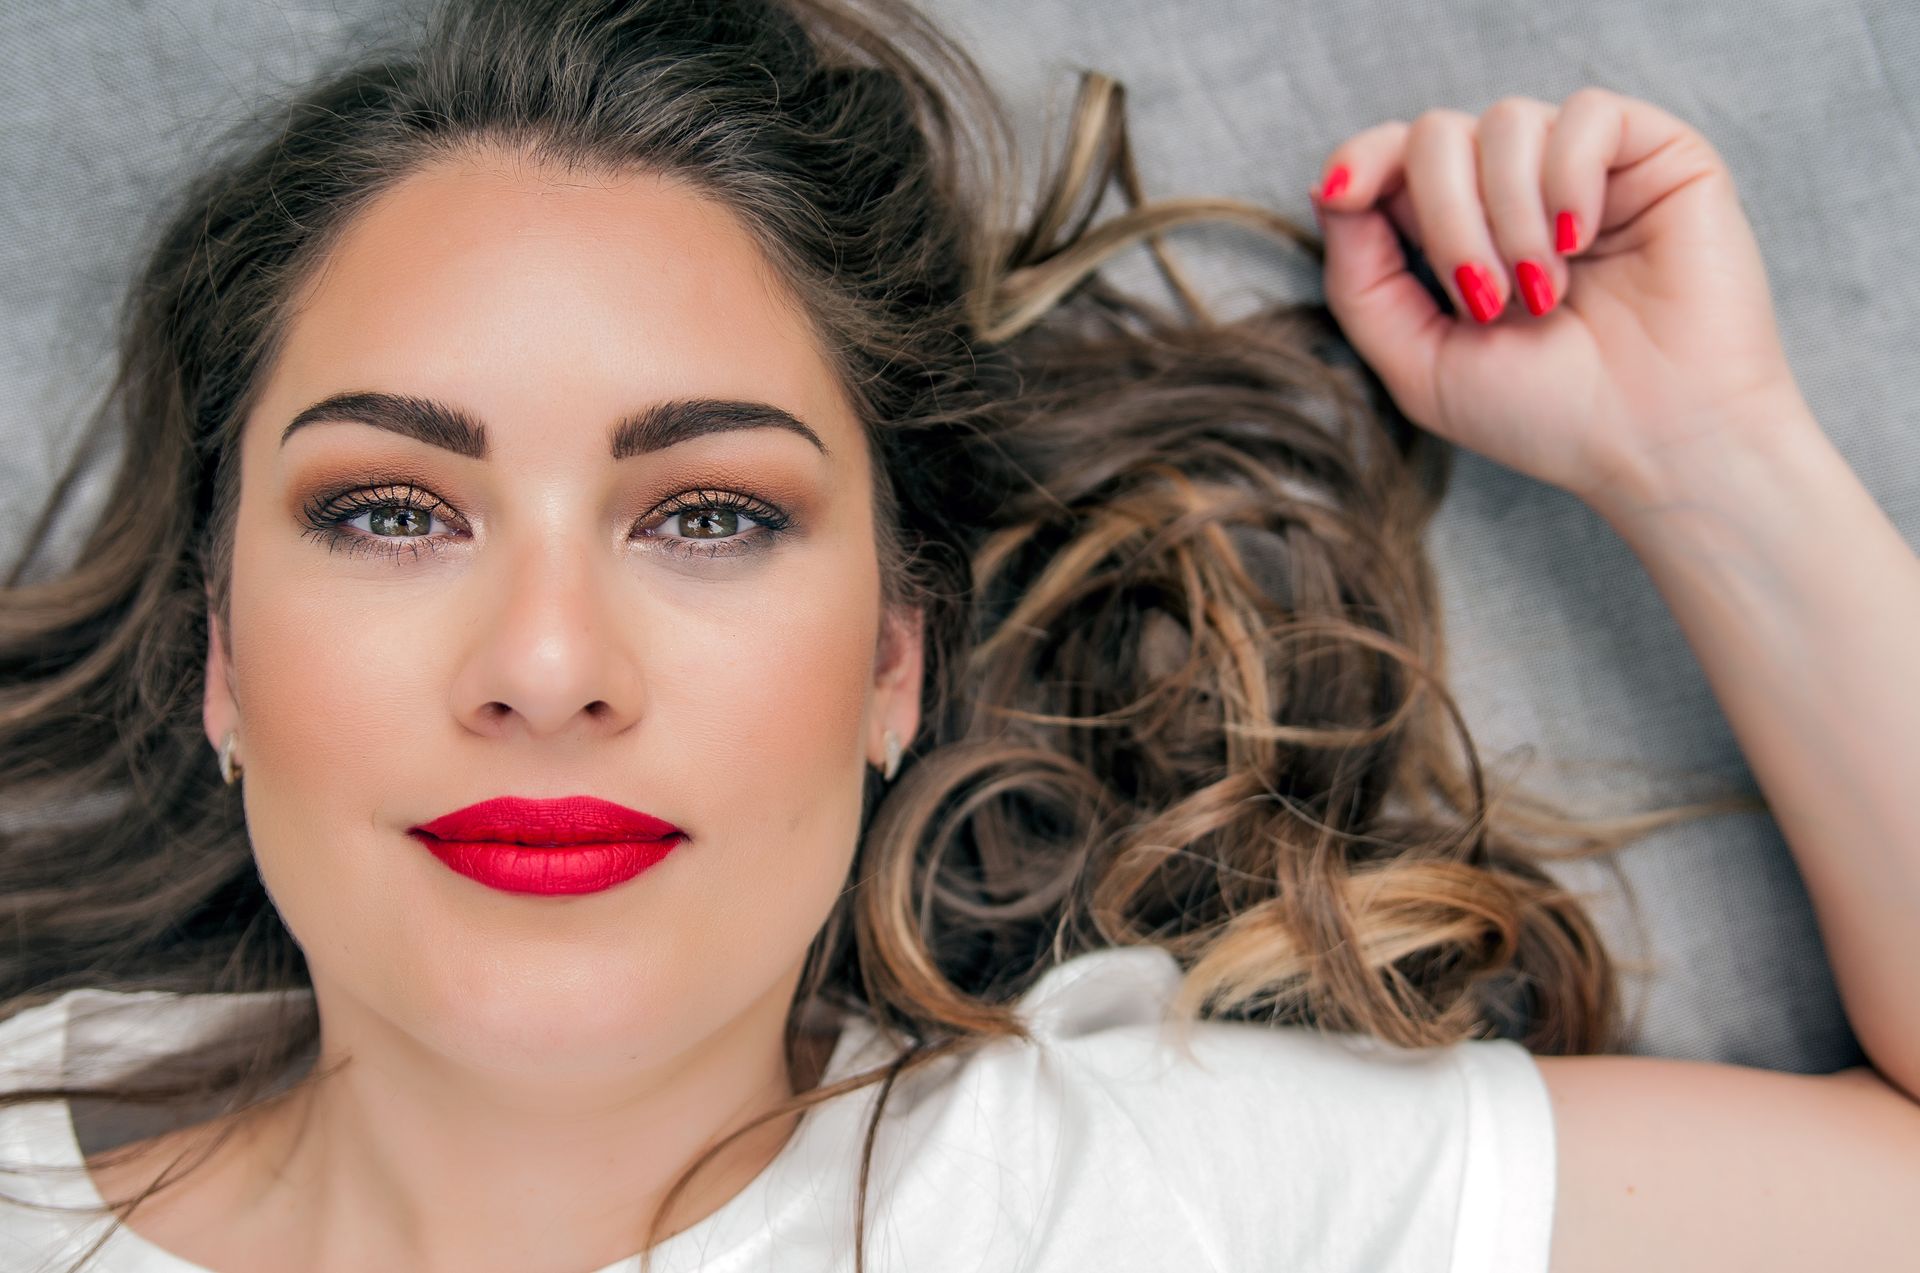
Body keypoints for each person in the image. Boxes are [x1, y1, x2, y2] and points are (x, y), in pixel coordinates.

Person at [0, 0, 1914, 1269]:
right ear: (223, 659)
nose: (551, 658)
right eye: (394, 513)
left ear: (894, 662)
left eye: (713, 514)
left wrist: (1715, 457)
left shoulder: (1148, 1196)